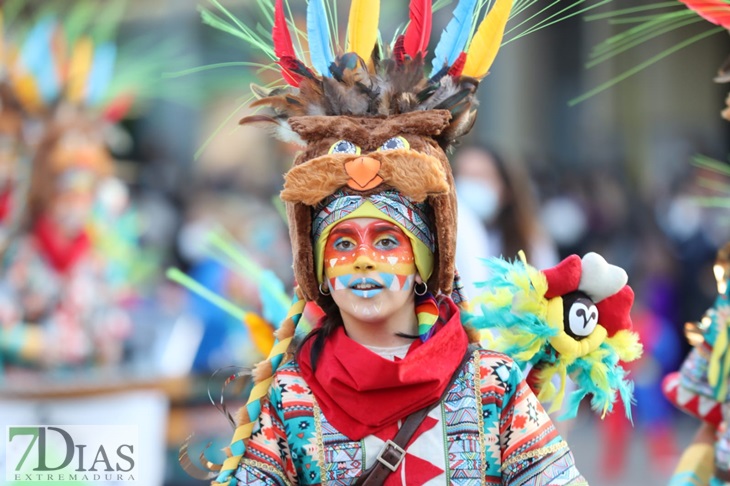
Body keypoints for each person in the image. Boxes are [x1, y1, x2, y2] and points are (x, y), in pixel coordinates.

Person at [189, 0, 641, 484]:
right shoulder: (289, 397)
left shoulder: (492, 386)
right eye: (341, 244)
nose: (362, 261)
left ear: (428, 261)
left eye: (386, 241)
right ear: (316, 268)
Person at [455, 144, 558, 297]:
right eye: (462, 176)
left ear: (506, 187)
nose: (468, 185)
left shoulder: (531, 242)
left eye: (479, 177)